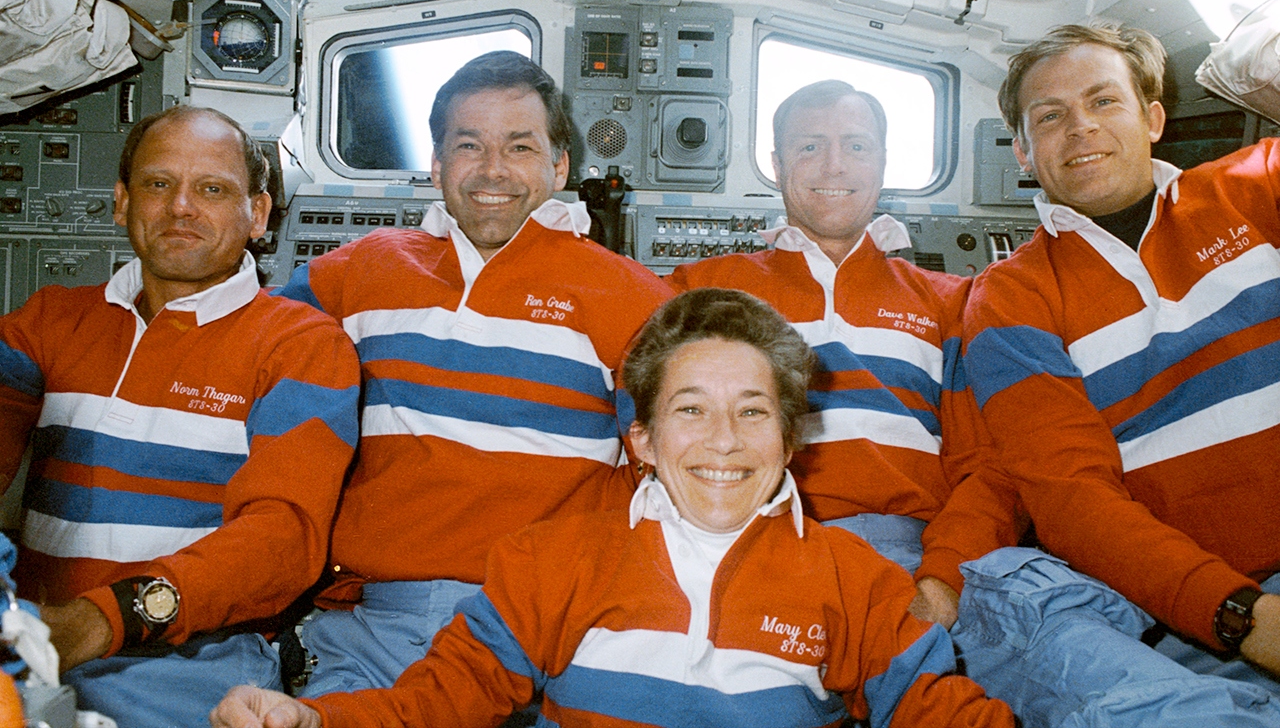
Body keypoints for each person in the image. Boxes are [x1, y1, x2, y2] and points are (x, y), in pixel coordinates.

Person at [211, 288, 1015, 728]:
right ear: (642, 439)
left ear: (792, 434)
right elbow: (437, 701)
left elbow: (935, 707)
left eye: (754, 411)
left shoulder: (856, 578)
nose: (724, 442)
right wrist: (311, 720)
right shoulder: (549, 559)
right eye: (691, 410)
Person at [273, 50, 674, 696]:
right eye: (469, 145)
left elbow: (676, 462)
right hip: (378, 626)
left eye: (520, 146)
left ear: (559, 165)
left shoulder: (629, 296)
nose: (493, 170)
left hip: (547, 626)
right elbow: (245, 356)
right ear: (436, 163)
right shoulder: (356, 273)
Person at [958, 21, 1280, 725]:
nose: (1080, 128)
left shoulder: (1257, 187)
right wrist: (1245, 616)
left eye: (1104, 101)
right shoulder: (1010, 297)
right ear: (1022, 149)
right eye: (1050, 116)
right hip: (1196, 616)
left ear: (1154, 117)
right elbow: (1075, 503)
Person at [0, 106, 361, 727]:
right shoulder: (51, 320)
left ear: (257, 215)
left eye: (213, 189)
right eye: (158, 184)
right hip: (29, 643)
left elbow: (282, 538)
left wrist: (102, 619)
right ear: (121, 203)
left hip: (189, 663)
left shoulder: (300, 344)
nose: (181, 208)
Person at [668, 80, 1025, 629]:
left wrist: (942, 583)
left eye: (856, 146)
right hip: (742, 544)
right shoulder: (703, 288)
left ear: (883, 162)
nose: (834, 166)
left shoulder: (949, 300)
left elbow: (989, 464)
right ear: (776, 163)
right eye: (810, 146)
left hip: (912, 551)